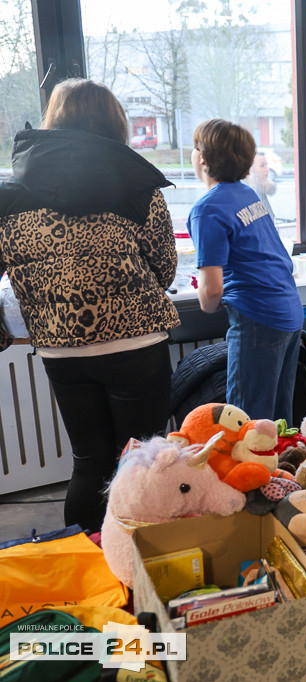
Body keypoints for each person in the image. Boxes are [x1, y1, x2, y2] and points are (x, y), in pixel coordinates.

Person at [0, 78, 179, 531]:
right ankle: (142, 569)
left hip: (61, 348)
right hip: (136, 342)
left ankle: (89, 563)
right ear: (113, 122)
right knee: (143, 461)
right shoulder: (137, 187)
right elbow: (165, 268)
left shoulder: (9, 195)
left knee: (89, 461)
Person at [188, 118, 303, 424]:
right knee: (277, 423)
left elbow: (210, 292)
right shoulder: (248, 193)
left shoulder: (207, 208)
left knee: (245, 425)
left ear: (201, 157)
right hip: (288, 310)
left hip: (259, 319)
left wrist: (208, 302)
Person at [243, 151, 277, 222]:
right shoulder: (247, 194)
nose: (267, 169)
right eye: (262, 165)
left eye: (266, 165)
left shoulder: (261, 188)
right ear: (251, 170)